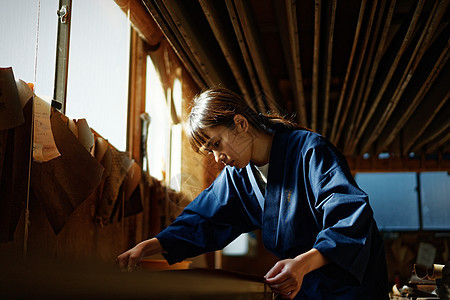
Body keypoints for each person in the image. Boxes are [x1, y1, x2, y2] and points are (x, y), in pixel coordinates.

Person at [116, 87, 389, 299]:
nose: (217, 158)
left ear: (241, 123)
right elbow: (204, 219)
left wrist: (302, 264)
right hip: (303, 286)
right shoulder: (238, 177)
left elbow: (349, 215)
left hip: (350, 285)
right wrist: (150, 246)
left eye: (217, 144)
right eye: (209, 151)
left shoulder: (309, 150)